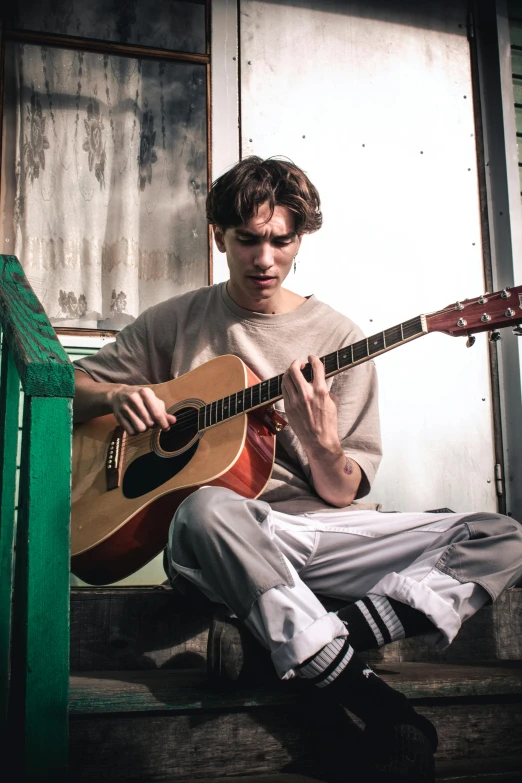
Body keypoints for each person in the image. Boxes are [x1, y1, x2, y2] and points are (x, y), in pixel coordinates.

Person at [73, 157, 522, 783]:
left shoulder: (339, 335)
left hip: (316, 537)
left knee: (500, 536)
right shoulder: (174, 321)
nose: (265, 259)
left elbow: (341, 493)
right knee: (205, 506)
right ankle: (380, 708)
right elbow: (70, 383)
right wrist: (113, 396)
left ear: (299, 239)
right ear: (217, 236)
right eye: (248, 240)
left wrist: (321, 443)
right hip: (221, 543)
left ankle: (291, 644)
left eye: (281, 241)